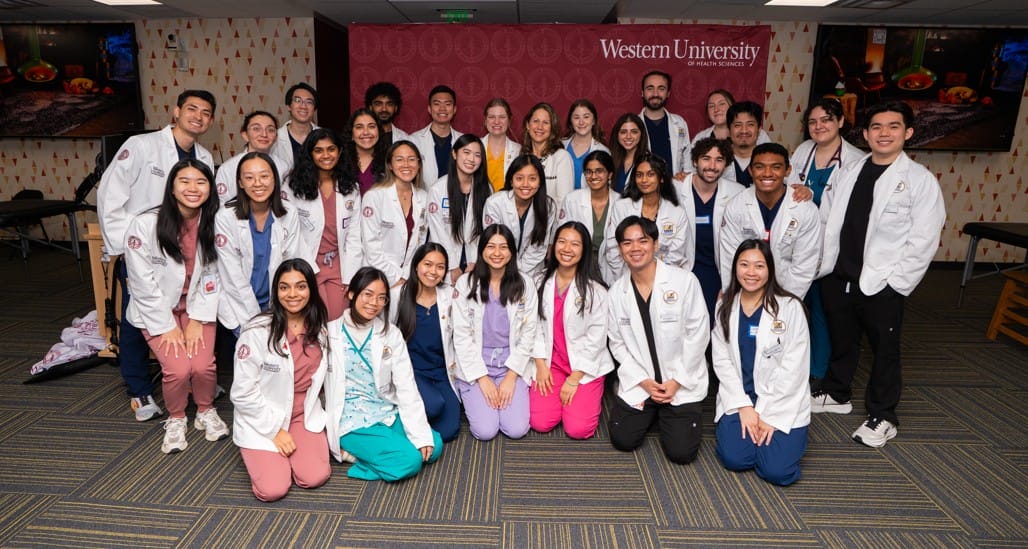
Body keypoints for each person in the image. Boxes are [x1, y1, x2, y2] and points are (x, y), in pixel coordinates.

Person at [812, 101, 946, 448]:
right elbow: (827, 219)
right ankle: (837, 393)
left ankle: (883, 415)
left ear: (908, 132)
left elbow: (924, 239)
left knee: (885, 350)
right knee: (842, 340)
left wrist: (896, 284)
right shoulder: (849, 170)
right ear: (866, 133)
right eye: (876, 127)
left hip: (882, 283)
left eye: (893, 126)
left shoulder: (919, 181)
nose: (884, 133)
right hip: (840, 274)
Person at [97, 89, 216, 421]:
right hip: (142, 248)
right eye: (192, 109)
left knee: (188, 306)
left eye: (206, 113)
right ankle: (138, 389)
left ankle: (192, 379)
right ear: (176, 112)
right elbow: (109, 194)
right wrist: (124, 245)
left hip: (185, 245)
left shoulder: (204, 157)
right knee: (137, 318)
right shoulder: (140, 146)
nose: (198, 116)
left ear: (210, 122)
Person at [123, 159, 228, 454]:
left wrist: (198, 319)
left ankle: (205, 410)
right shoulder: (145, 225)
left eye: (201, 182)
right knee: (179, 370)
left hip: (197, 306)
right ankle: (177, 417)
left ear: (210, 188)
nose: (193, 188)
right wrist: (167, 326)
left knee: (203, 365)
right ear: (171, 186)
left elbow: (214, 275)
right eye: (185, 181)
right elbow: (141, 285)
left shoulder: (214, 222)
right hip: (157, 310)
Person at [323, 267, 443, 481]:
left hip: (384, 409)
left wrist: (421, 435)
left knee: (433, 446)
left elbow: (406, 386)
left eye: (381, 298)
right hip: (351, 419)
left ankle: (381, 454)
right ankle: (352, 457)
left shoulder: (391, 334)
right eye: (368, 294)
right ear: (352, 293)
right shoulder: (328, 333)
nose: (374, 303)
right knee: (410, 461)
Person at [607, 216, 708, 464]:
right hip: (643, 381)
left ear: (655, 244)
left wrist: (676, 381)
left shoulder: (684, 281)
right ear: (620, 249)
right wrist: (643, 381)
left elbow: (698, 335)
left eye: (643, 241)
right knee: (623, 439)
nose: (635, 248)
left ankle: (668, 411)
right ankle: (652, 408)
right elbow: (617, 343)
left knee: (681, 453)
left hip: (680, 381)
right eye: (627, 243)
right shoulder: (616, 292)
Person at [231, 258, 331, 501]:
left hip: (302, 414)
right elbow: (242, 393)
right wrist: (274, 431)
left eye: (300, 286)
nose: (292, 294)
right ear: (276, 291)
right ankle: (271, 459)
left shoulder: (319, 329)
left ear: (311, 289)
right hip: (263, 415)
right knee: (273, 489)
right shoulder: (257, 332)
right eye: (284, 287)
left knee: (315, 476)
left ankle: (291, 457)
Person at [712, 239, 810, 486]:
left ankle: (780, 444)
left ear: (770, 270)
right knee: (735, 458)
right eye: (744, 264)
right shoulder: (725, 305)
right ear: (735, 268)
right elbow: (722, 361)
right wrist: (744, 406)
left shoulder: (790, 308)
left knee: (777, 471)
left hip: (782, 400)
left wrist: (769, 415)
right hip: (740, 396)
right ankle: (750, 434)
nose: (751, 273)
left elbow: (794, 368)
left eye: (759, 266)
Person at [786, 98, 864, 381]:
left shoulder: (855, 161)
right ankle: (793, 365)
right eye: (813, 121)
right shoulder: (803, 151)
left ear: (841, 121)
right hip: (799, 242)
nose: (819, 126)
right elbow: (788, 188)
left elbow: (847, 212)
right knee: (795, 306)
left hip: (832, 248)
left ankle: (818, 371)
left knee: (824, 310)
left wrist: (810, 200)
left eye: (826, 119)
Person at [451, 224, 538, 440]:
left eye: (503, 247)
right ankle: (470, 390)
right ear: (481, 250)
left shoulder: (525, 284)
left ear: (512, 252)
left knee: (516, 429)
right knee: (485, 431)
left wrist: (511, 377)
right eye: (491, 246)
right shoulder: (465, 284)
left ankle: (507, 390)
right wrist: (483, 379)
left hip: (511, 364)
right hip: (477, 364)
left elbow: (529, 332)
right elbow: (461, 336)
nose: (497, 253)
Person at [530, 221, 612, 439]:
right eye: (562, 242)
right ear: (554, 245)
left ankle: (583, 397)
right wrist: (540, 365)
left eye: (575, 244)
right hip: (551, 363)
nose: (567, 249)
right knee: (540, 422)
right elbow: (532, 325)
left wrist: (574, 379)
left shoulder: (596, 291)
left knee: (578, 429)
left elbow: (596, 341)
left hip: (583, 366)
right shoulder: (538, 281)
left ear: (584, 250)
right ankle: (561, 401)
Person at [719, 143, 822, 300]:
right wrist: (734, 298)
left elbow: (804, 266)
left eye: (776, 167)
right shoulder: (736, 207)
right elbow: (730, 259)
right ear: (750, 170)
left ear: (788, 170)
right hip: (746, 292)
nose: (767, 173)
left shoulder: (805, 210)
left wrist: (785, 305)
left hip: (788, 291)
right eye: (759, 167)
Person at [215, 151, 303, 335]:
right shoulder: (226, 217)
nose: (257, 183)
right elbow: (232, 277)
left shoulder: (289, 213)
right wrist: (256, 322)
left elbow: (291, 263)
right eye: (249, 178)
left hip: (277, 305)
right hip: (236, 308)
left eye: (264, 176)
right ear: (240, 183)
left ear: (275, 179)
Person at [285, 128, 363, 320]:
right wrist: (307, 268)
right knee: (315, 319)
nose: (326, 155)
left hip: (339, 265)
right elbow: (291, 233)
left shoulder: (351, 187)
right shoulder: (293, 186)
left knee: (338, 318)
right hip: (307, 261)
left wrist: (350, 275)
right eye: (319, 150)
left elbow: (354, 235)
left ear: (340, 151)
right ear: (310, 154)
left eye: (331, 149)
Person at [393, 243, 461, 442]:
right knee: (433, 406)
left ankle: (412, 420)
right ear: (416, 266)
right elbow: (384, 335)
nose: (433, 271)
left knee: (448, 431)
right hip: (412, 371)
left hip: (441, 372)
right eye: (428, 264)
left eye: (440, 267)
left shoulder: (450, 296)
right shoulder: (398, 295)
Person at [673, 137, 745, 320]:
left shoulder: (738, 192)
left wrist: (729, 283)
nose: (712, 166)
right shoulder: (675, 188)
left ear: (726, 164)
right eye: (706, 158)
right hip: (685, 269)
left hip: (718, 273)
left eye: (719, 160)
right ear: (695, 161)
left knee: (717, 323)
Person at [604, 153, 691, 284]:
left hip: (664, 280)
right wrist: (630, 279)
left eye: (650, 174)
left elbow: (675, 255)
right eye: (639, 175)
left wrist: (654, 281)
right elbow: (612, 247)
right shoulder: (621, 207)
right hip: (625, 277)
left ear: (661, 178)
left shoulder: (677, 213)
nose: (644, 180)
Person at [361, 140, 430, 287]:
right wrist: (395, 278)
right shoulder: (374, 196)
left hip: (409, 277)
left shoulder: (424, 197)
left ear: (419, 164)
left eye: (411, 159)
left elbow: (420, 243)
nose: (406, 164)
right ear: (390, 165)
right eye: (399, 159)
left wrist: (407, 277)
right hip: (376, 276)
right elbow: (371, 245)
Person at [427, 134, 492, 284]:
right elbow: (437, 230)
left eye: (477, 155)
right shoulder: (438, 189)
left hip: (474, 261)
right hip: (444, 259)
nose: (471, 159)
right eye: (466, 152)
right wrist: (451, 266)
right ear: (454, 154)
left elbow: (486, 229)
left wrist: (476, 261)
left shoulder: (486, 189)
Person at [482, 155, 557, 277]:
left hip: (532, 271)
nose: (525, 184)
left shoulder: (548, 206)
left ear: (540, 182)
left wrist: (520, 273)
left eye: (532, 178)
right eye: (519, 178)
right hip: (499, 267)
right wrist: (512, 272)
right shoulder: (494, 203)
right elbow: (494, 243)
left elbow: (538, 247)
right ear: (511, 181)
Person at [558, 150, 618, 271]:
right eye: (589, 172)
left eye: (599, 171)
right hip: (579, 262)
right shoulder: (572, 200)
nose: (593, 176)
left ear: (610, 174)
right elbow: (562, 233)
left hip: (612, 264)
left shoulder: (621, 203)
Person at [215, 111, 290, 203]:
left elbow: (286, 200)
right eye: (256, 129)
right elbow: (222, 204)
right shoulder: (228, 168)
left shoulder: (283, 166)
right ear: (245, 135)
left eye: (270, 130)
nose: (264, 134)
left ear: (276, 137)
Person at [638, 70, 691, 180]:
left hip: (674, 186)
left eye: (661, 89)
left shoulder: (679, 123)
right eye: (650, 88)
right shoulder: (633, 124)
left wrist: (686, 176)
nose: (655, 94)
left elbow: (687, 156)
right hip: (643, 184)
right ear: (642, 92)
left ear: (668, 93)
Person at [522, 102, 574, 204]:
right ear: (528, 125)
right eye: (536, 121)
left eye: (545, 122)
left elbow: (564, 202)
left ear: (552, 128)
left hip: (552, 214)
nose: (540, 127)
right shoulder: (520, 156)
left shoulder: (562, 157)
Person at [409, 85, 464, 182]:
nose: (442, 108)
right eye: (437, 104)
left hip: (456, 192)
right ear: (429, 109)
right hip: (424, 192)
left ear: (454, 109)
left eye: (447, 104)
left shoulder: (463, 141)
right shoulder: (414, 140)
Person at [691, 89, 771, 146]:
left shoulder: (757, 134)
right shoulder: (700, 137)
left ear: (732, 107)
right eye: (711, 106)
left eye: (722, 104)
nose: (716, 109)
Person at [270, 82, 319, 173]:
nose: (303, 106)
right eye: (297, 100)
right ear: (289, 106)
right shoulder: (274, 138)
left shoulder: (324, 136)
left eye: (309, 102)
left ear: (314, 109)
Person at [562, 99, 609, 190]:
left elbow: (606, 187)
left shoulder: (603, 151)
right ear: (571, 121)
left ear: (594, 121)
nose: (581, 122)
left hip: (590, 198)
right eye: (576, 117)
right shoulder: (559, 146)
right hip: (561, 198)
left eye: (586, 117)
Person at [340, 107, 387, 196]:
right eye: (359, 127)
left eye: (371, 126)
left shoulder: (389, 161)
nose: (366, 132)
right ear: (351, 133)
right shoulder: (340, 160)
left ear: (379, 131)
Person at [722, 100, 765, 187]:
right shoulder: (716, 158)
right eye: (738, 125)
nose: (744, 130)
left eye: (750, 124)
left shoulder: (776, 158)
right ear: (728, 130)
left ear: (759, 129)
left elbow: (791, 187)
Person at [482, 98, 521, 192]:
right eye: (492, 117)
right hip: (478, 200)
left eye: (502, 117)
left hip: (507, 200)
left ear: (509, 120)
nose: (496, 122)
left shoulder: (519, 151)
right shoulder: (474, 147)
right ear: (485, 120)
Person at [609, 113, 649, 194]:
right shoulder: (610, 160)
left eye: (634, 132)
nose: (628, 136)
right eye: (623, 132)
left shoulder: (649, 162)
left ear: (641, 134)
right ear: (617, 135)